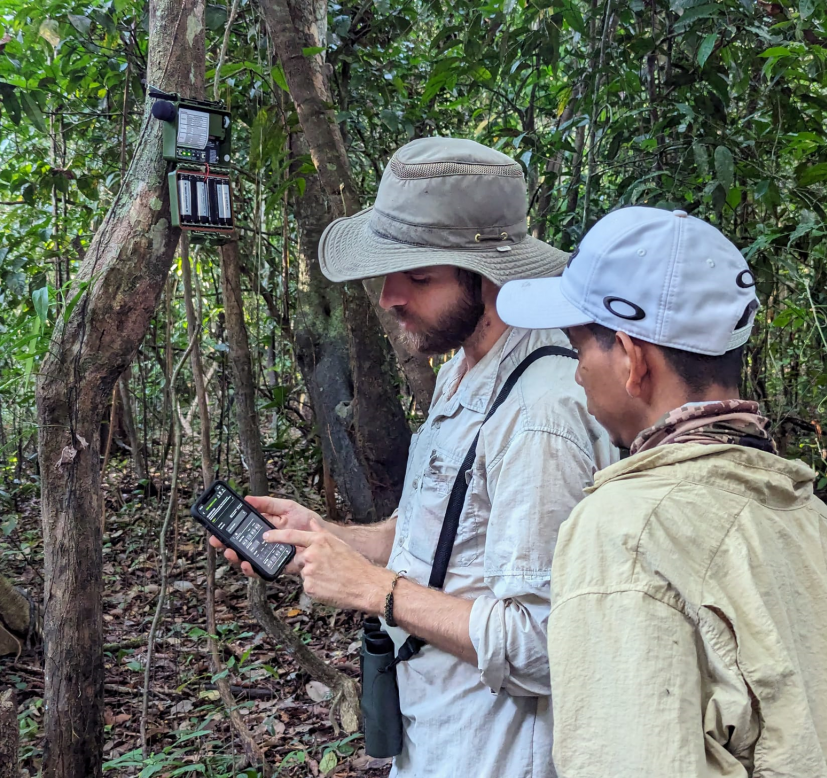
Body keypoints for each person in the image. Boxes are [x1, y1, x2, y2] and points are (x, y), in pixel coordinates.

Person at [210, 137, 617, 778]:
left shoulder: (540, 413)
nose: (390, 296)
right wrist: (323, 540)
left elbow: (544, 646)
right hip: (439, 729)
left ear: (488, 278)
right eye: (391, 271)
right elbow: (438, 536)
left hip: (501, 750)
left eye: (420, 276)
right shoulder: (464, 367)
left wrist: (373, 590)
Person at [496, 206, 827, 777]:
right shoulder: (817, 520)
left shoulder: (624, 529)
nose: (576, 372)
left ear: (633, 360)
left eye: (580, 347)